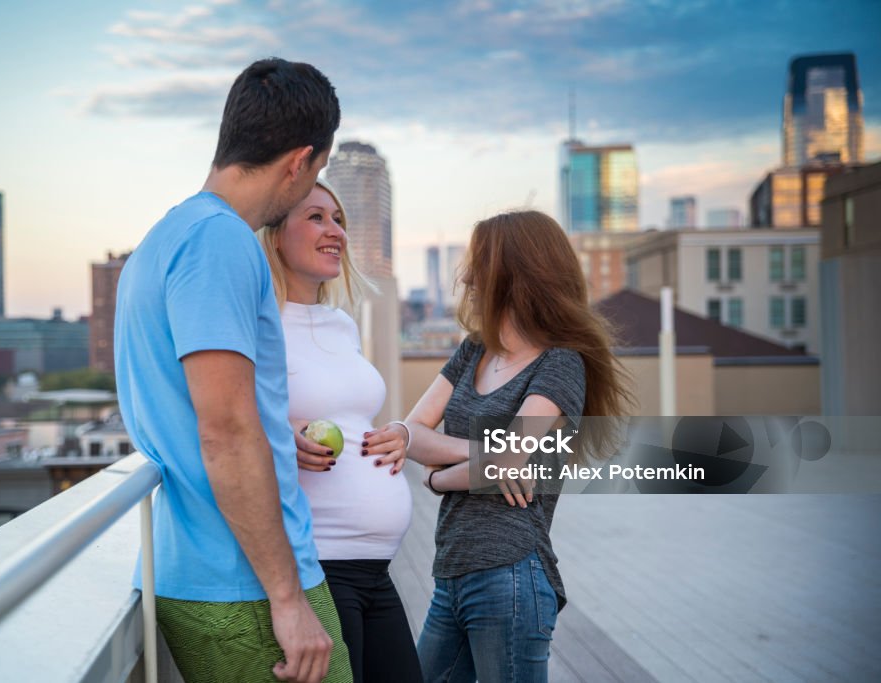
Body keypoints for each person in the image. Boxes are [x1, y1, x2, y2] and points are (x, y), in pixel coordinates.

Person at [114, 58, 353, 683]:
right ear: (299, 161)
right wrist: (288, 599)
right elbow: (223, 429)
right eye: (318, 173)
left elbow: (203, 409)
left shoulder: (164, 240)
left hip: (209, 565)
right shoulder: (219, 242)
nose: (312, 187)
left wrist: (276, 437)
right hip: (243, 580)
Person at [406, 210, 635, 683]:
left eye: (478, 263)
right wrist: (481, 459)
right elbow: (411, 432)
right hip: (451, 572)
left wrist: (434, 476)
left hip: (509, 577)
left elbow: (506, 458)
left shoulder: (560, 364)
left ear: (514, 274)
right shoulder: (474, 350)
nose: (466, 277)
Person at [256, 179, 424, 683]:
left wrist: (399, 434)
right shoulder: (257, 324)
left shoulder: (341, 324)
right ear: (275, 234)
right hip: (321, 567)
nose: (335, 232)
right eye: (315, 217)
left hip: (376, 568)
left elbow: (350, 417)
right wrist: (279, 441)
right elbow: (226, 425)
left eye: (339, 220)